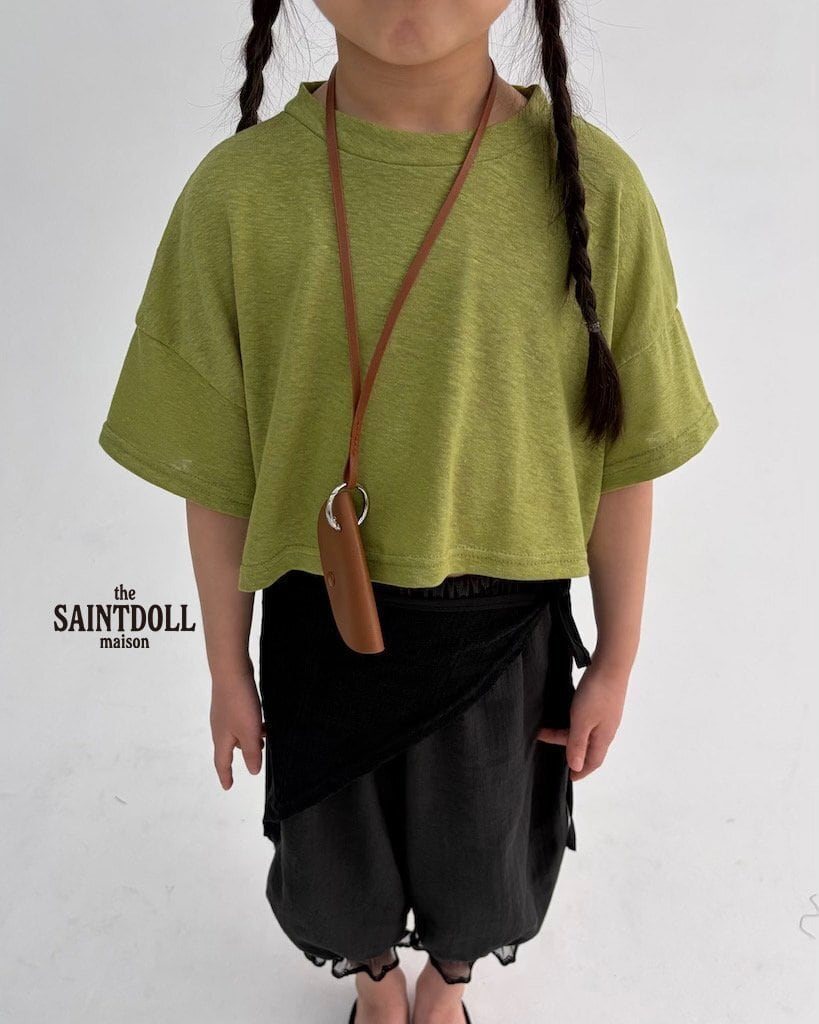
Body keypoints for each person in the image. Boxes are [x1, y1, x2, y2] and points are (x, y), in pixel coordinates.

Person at [97, 2, 720, 1023]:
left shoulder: (596, 192)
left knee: (484, 872)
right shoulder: (237, 195)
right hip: (319, 619)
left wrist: (617, 656)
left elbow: (622, 458)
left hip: (502, 635)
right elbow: (216, 475)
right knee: (335, 876)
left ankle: (448, 986)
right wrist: (226, 666)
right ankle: (377, 985)